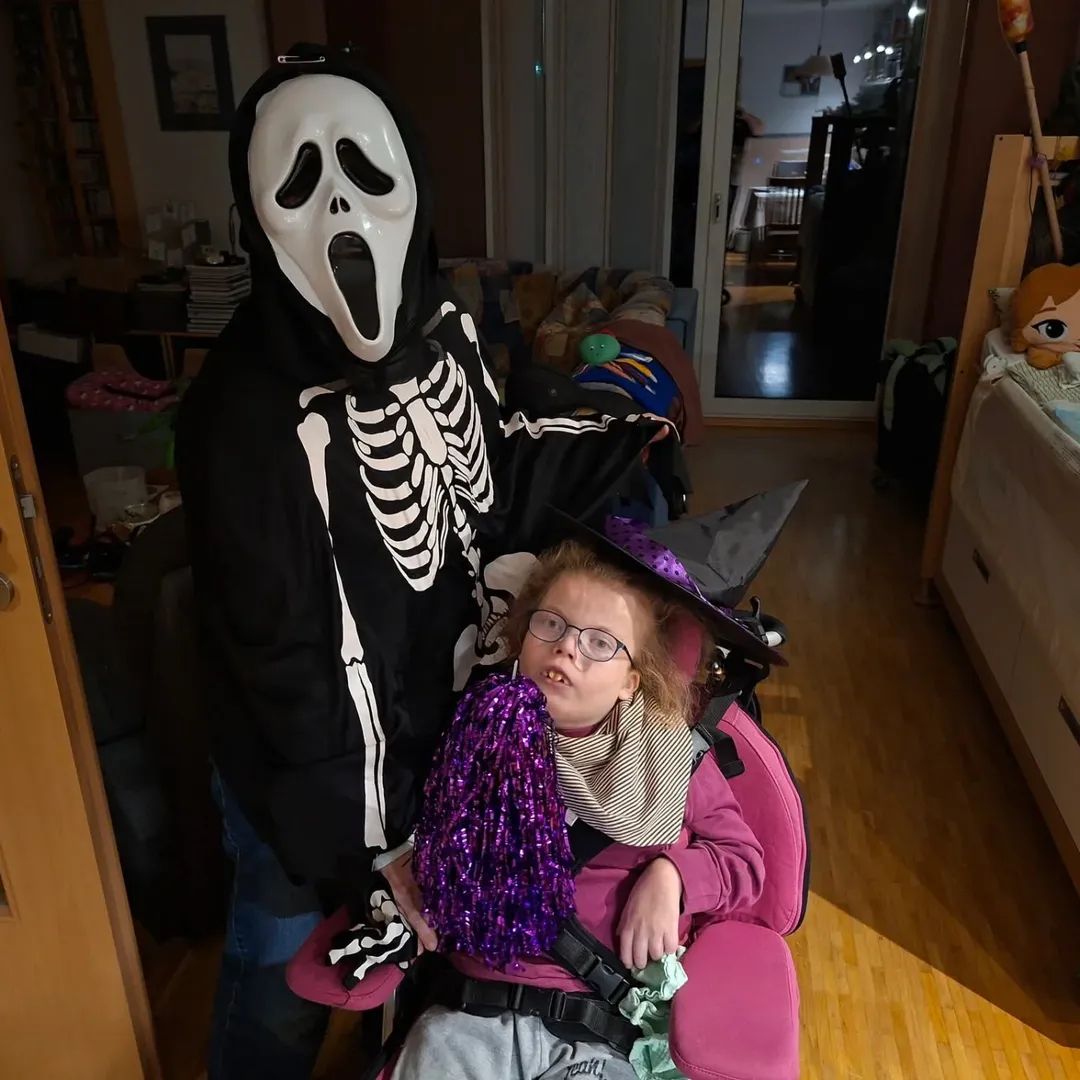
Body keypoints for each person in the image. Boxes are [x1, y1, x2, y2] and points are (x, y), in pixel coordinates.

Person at [177, 47, 671, 1080]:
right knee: (285, 972)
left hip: (424, 734)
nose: (341, 211)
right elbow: (290, 667)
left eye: (367, 172)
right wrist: (375, 842)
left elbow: (489, 467)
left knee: (412, 961)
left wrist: (611, 434)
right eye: (300, 184)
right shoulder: (242, 418)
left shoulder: (442, 322)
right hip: (302, 769)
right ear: (256, 217)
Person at [384, 527, 768, 1080]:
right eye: (552, 624)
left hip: (598, 1031)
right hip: (467, 1014)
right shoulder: (475, 733)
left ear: (630, 680)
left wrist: (675, 875)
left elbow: (746, 862)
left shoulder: (671, 758)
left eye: (599, 643)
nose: (567, 647)